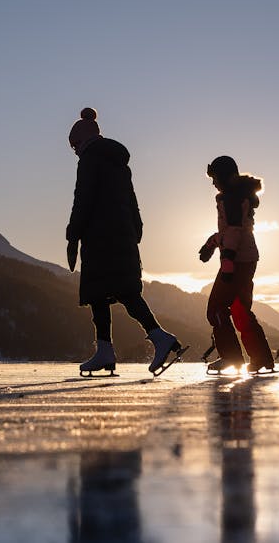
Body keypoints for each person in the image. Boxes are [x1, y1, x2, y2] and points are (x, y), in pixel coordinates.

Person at [66, 108, 186, 376]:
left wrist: (72, 235)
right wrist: (136, 228)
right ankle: (106, 349)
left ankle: (157, 336)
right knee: (110, 291)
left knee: (117, 291)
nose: (74, 151)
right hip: (122, 235)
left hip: (100, 238)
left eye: (75, 145)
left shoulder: (89, 160)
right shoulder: (119, 163)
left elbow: (82, 199)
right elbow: (131, 199)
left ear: (84, 140)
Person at [199, 156, 275, 374]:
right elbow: (234, 230)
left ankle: (231, 357)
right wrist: (212, 243)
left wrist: (228, 260)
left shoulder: (229, 198)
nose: (213, 183)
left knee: (216, 309)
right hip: (248, 258)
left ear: (223, 177)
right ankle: (261, 358)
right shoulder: (238, 196)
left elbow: (233, 231)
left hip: (237, 261)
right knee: (240, 309)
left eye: (214, 177)